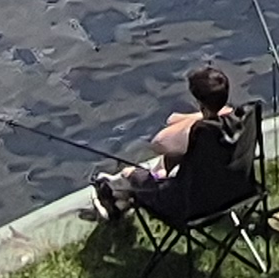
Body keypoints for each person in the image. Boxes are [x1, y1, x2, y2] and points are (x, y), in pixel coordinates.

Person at [92, 62, 243, 221]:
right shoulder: (237, 121)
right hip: (236, 192)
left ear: (200, 103)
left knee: (130, 173)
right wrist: (205, 115)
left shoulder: (202, 132)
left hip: (192, 206)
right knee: (168, 162)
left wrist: (199, 119)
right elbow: (174, 122)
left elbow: (159, 143)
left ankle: (114, 197)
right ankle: (118, 203)